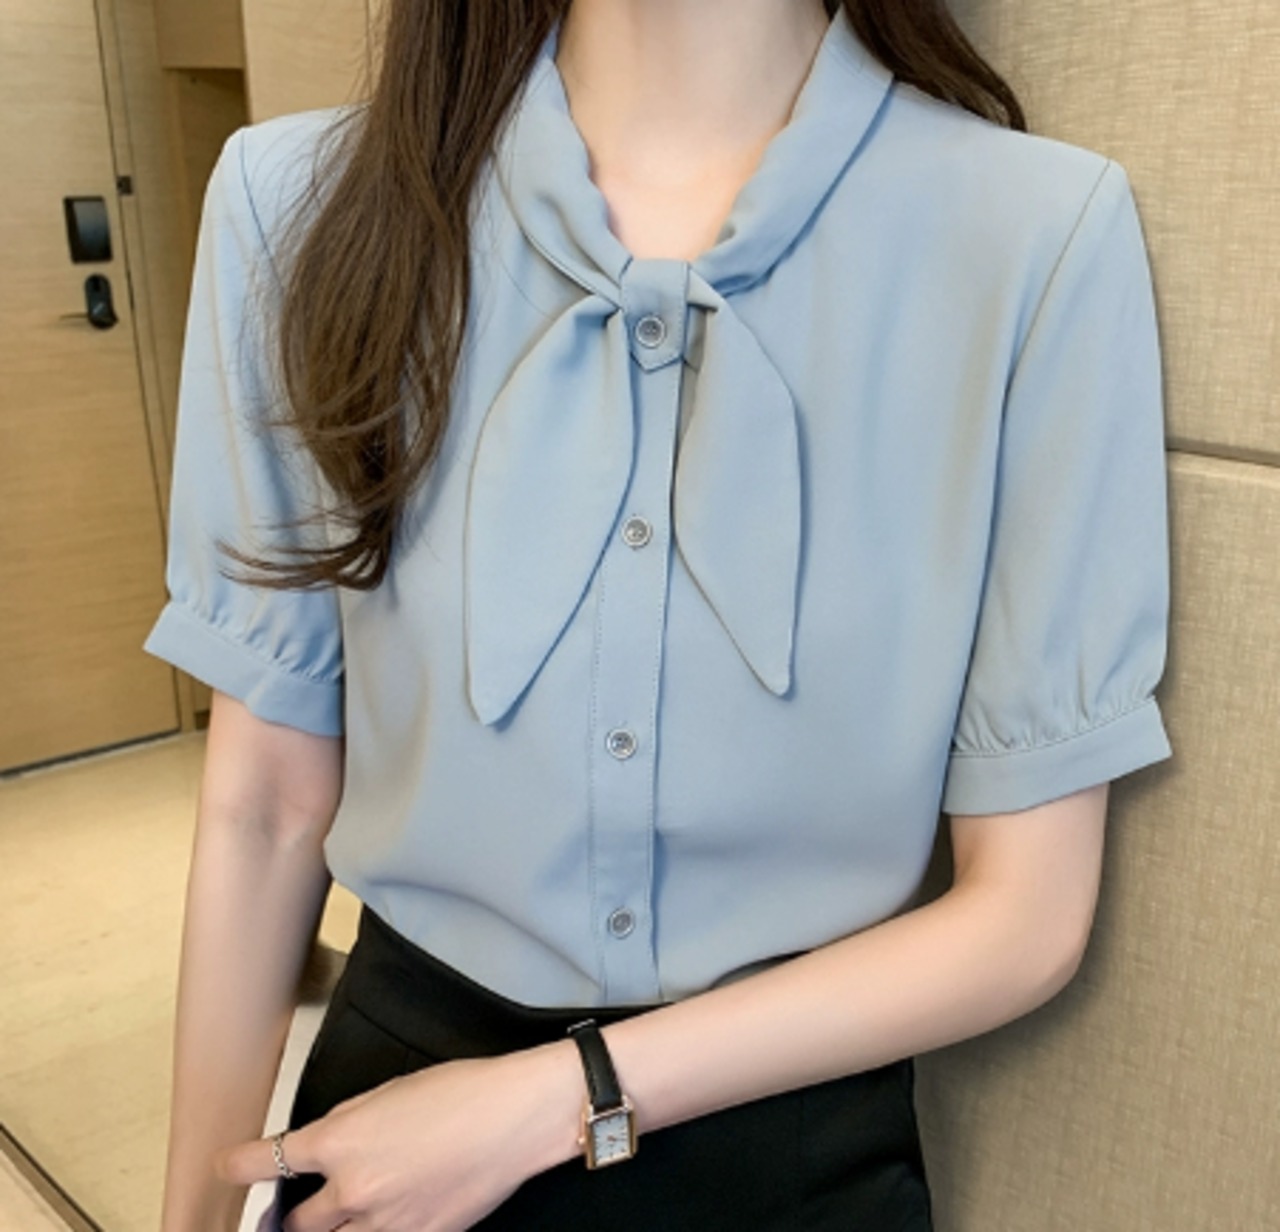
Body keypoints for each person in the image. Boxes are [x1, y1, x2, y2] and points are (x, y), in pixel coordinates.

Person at [144, 1, 1174, 1229]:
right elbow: (263, 805)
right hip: (384, 1147)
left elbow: (1026, 913)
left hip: (794, 1156)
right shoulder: (297, 208)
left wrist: (558, 1097)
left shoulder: (1034, 238)